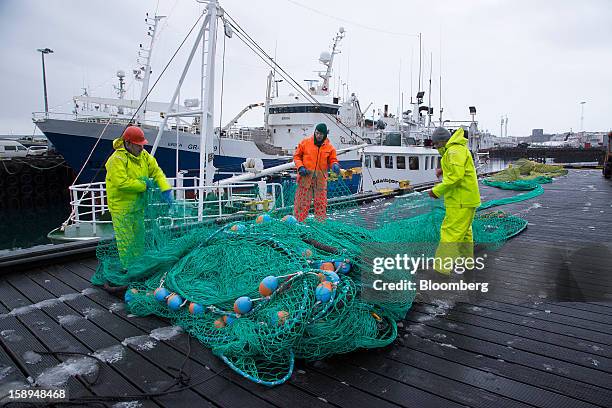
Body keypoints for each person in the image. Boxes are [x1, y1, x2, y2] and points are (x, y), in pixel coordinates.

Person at [105, 125, 173, 266]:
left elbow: (156, 172)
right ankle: (128, 269)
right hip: (121, 208)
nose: (141, 148)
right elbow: (121, 183)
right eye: (138, 145)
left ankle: (138, 265)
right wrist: (144, 185)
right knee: (126, 241)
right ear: (128, 143)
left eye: (142, 145)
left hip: (138, 206)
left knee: (138, 239)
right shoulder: (116, 159)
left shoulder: (144, 156)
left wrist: (165, 188)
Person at [428, 127, 481, 275]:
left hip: (460, 200)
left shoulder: (453, 151)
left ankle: (440, 270)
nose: (436, 147)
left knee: (450, 232)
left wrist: (436, 191)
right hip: (466, 199)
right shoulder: (457, 149)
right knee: (464, 232)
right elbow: (459, 170)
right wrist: (443, 170)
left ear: (442, 141)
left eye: (436, 144)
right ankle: (467, 262)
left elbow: (456, 177)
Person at [293, 123, 341, 222]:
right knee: (302, 203)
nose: (318, 135)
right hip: (305, 177)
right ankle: (299, 223)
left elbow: (332, 160)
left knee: (321, 203)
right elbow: (297, 157)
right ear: (314, 132)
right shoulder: (305, 143)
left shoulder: (330, 148)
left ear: (325, 135)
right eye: (317, 133)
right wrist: (300, 167)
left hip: (320, 180)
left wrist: (335, 165)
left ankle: (320, 224)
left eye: (321, 134)